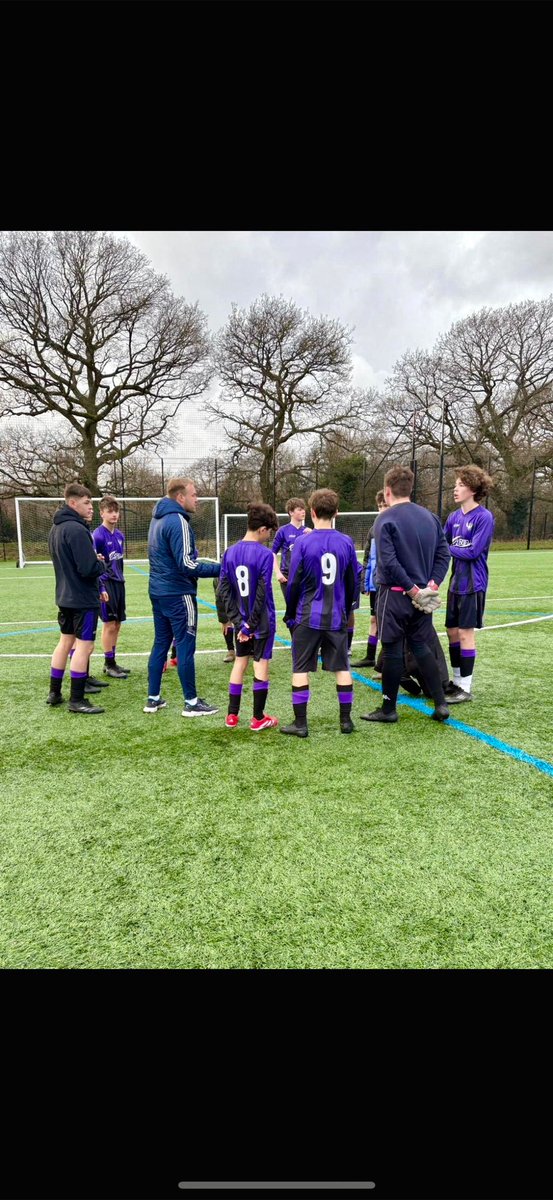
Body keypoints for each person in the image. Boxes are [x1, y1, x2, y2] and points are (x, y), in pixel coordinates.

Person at [360, 464, 451, 725]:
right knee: (422, 647)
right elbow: (444, 554)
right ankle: (441, 703)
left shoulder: (384, 519)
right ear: (410, 489)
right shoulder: (430, 517)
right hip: (422, 599)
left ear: (387, 492)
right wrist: (431, 586)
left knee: (391, 651)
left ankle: (388, 709)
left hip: (396, 595)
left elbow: (387, 563)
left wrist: (413, 590)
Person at [280, 488, 360, 738]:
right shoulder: (346, 542)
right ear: (336, 512)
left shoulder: (302, 542)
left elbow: (293, 582)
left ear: (312, 512)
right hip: (336, 616)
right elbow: (352, 583)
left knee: (300, 669)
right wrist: (346, 610)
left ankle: (300, 724)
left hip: (307, 616)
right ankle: (346, 721)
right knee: (342, 667)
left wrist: (290, 613)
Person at [144, 477, 221, 716]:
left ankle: (153, 699)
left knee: (160, 643)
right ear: (181, 497)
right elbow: (187, 564)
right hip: (178, 593)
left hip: (158, 592)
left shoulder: (157, 520)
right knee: (186, 647)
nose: (197, 499)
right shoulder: (178, 521)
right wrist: (222, 567)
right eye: (194, 494)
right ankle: (191, 702)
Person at [217, 502, 280, 731]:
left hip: (241, 622)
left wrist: (238, 622)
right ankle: (258, 718)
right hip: (260, 623)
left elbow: (223, 590)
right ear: (262, 529)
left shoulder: (229, 552)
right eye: (269, 532)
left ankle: (231, 716)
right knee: (261, 665)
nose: (269, 537)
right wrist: (250, 625)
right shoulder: (265, 555)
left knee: (240, 663)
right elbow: (262, 592)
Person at [46, 483, 107, 714]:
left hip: (64, 596)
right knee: (84, 647)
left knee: (64, 644)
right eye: (86, 502)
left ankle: (54, 693)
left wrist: (92, 560)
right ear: (73, 503)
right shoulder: (77, 529)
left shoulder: (56, 529)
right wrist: (100, 562)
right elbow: (88, 568)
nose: (90, 507)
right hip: (82, 599)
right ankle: (77, 700)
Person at [443, 465, 495, 702]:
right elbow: (441, 547)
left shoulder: (484, 517)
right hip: (456, 582)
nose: (455, 489)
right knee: (451, 631)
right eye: (456, 485)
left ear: (473, 489)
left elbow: (473, 551)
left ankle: (465, 687)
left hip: (473, 583)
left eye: (461, 485)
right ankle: (455, 681)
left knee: (465, 633)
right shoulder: (453, 517)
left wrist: (448, 548)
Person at [92, 496, 130, 679]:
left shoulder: (120, 535)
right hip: (106, 583)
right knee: (108, 624)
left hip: (119, 583)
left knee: (117, 623)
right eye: (110, 511)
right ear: (102, 513)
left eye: (116, 511)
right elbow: (94, 563)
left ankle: (113, 661)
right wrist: (101, 587)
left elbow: (118, 562)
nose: (114, 514)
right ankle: (108, 663)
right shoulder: (97, 535)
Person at [351, 489, 388, 668]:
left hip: (389, 584)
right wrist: (365, 582)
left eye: (385, 505)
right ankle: (370, 656)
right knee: (374, 619)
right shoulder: (374, 529)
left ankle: (386, 660)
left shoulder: (394, 526)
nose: (382, 509)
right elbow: (367, 557)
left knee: (386, 622)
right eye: (379, 506)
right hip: (376, 583)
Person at [272, 497, 310, 601]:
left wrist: (314, 536)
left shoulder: (308, 532)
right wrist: (278, 573)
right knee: (292, 609)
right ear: (291, 512)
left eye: (303, 509)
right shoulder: (282, 531)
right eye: (299, 509)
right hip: (287, 576)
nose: (303, 511)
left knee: (304, 608)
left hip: (304, 575)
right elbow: (273, 553)